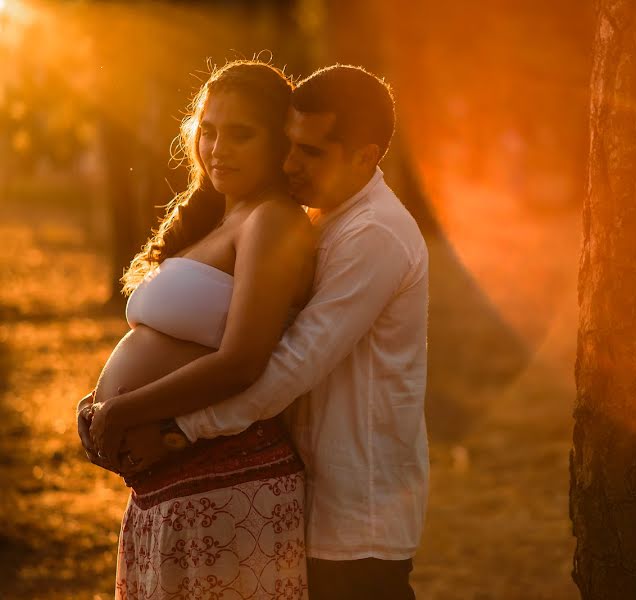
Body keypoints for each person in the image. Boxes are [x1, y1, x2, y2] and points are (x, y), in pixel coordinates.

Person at [99, 64, 431, 600]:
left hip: (354, 508)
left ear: (365, 157)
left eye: (311, 151)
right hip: (297, 489)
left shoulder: (374, 235)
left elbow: (289, 363)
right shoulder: (323, 219)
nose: (291, 163)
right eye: (291, 146)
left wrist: (176, 427)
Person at [78, 59, 315, 599]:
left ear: (280, 143)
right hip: (172, 492)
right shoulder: (218, 220)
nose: (217, 148)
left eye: (240, 134)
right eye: (207, 131)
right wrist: (97, 404)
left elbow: (242, 360)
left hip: (228, 485)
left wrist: (122, 410)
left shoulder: (273, 219)